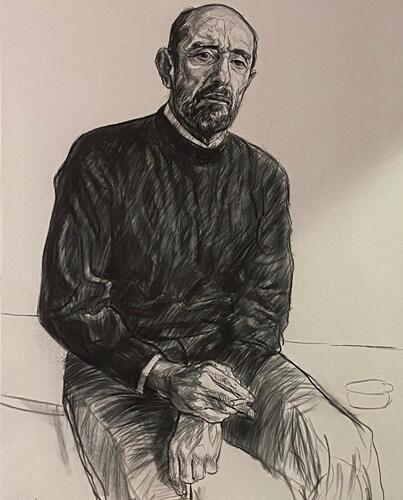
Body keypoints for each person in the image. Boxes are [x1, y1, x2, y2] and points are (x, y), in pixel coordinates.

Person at [38, 4, 384, 499]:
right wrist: (169, 380)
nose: (222, 76)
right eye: (204, 54)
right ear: (167, 66)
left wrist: (205, 410)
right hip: (118, 372)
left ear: (249, 78)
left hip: (235, 368)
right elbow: (70, 305)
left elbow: (263, 310)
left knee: (347, 448)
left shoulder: (264, 177)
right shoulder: (100, 157)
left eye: (238, 61)